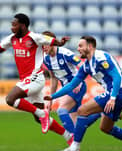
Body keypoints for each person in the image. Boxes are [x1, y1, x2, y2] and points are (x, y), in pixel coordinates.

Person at [44, 36, 122, 151]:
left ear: (90, 46)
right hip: (116, 96)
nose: (78, 49)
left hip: (118, 93)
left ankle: (74, 148)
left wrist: (113, 98)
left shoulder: (100, 57)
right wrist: (53, 96)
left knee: (82, 110)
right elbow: (72, 85)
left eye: (81, 46)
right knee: (105, 128)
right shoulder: (86, 65)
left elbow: (117, 77)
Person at [0, 13, 73, 144]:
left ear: (22, 26)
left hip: (35, 78)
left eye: (14, 25)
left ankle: (42, 113)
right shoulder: (12, 39)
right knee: (37, 118)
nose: (12, 27)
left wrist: (60, 42)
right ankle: (69, 137)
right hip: (26, 81)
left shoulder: (34, 37)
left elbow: (52, 41)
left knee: (10, 99)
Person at [42, 31, 101, 134]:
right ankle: (101, 112)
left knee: (61, 110)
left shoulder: (64, 53)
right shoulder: (46, 59)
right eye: (41, 44)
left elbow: (82, 66)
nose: (44, 47)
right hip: (67, 89)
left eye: (46, 44)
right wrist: (51, 99)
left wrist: (78, 82)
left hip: (76, 86)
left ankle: (73, 141)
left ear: (53, 43)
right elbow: (53, 78)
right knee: (77, 123)